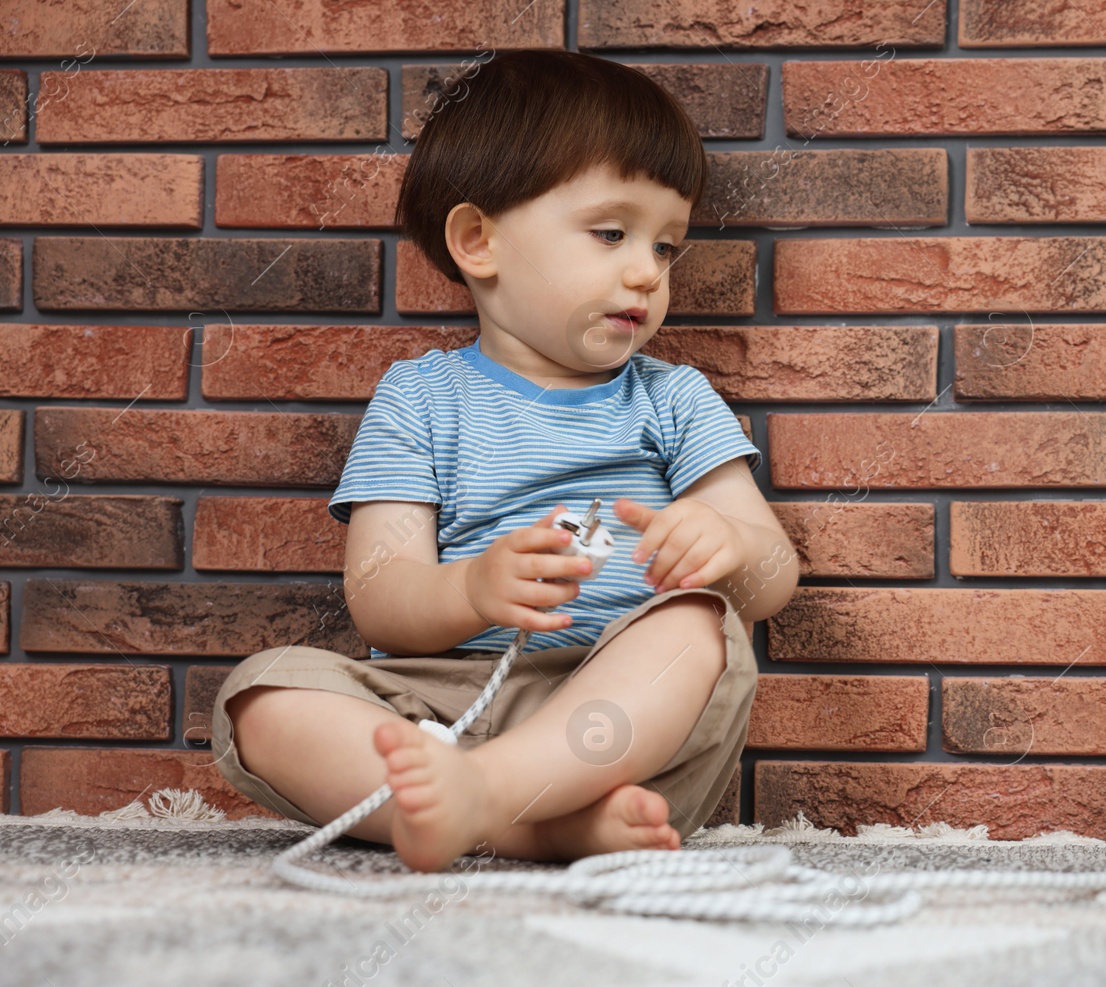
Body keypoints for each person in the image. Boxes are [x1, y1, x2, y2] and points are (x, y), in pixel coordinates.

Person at [209, 49, 797, 874]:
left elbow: (773, 578)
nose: (646, 272)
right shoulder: (420, 397)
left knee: (694, 629)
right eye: (611, 233)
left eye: (667, 247)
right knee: (262, 693)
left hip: (613, 721)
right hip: (438, 705)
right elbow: (380, 597)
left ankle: (483, 800)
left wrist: (730, 549)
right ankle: (534, 828)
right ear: (479, 240)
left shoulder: (673, 397)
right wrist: (474, 588)